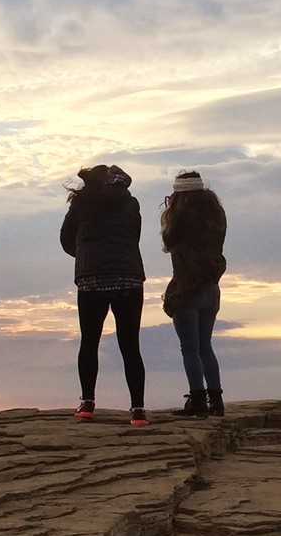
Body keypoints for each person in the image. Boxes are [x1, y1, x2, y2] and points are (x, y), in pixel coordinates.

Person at [60, 164, 148, 425]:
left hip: (91, 279)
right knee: (130, 345)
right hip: (128, 277)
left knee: (89, 341)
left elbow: (66, 239)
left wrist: (86, 256)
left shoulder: (82, 203)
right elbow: (134, 238)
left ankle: (87, 403)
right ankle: (138, 410)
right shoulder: (131, 203)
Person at [160, 170, 227, 417]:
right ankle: (216, 400)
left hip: (187, 287)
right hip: (211, 288)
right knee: (205, 346)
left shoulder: (180, 217)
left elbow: (168, 242)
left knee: (189, 347)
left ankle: (197, 399)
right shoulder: (216, 217)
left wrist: (169, 216)